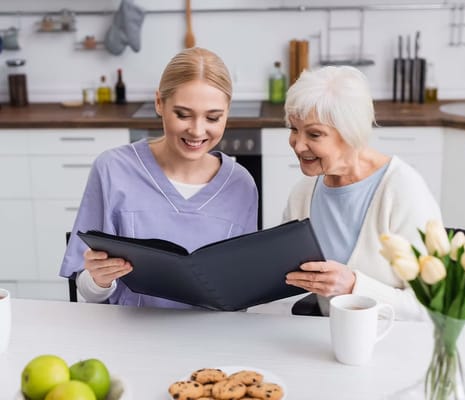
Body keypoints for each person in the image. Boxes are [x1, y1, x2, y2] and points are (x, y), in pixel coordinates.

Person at [60, 47, 258, 308]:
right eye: (183, 114)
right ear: (159, 103)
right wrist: (99, 280)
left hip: (212, 341)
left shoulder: (241, 185)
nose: (197, 130)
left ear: (227, 112)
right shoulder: (112, 169)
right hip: (132, 340)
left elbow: (243, 288)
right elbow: (87, 289)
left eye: (213, 117)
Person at [283, 66, 441, 321]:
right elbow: (287, 286)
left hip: (401, 348)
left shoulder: (402, 191)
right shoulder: (303, 194)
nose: (298, 145)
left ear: (351, 132)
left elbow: (434, 308)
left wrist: (355, 286)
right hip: (329, 342)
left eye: (314, 134)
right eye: (293, 129)